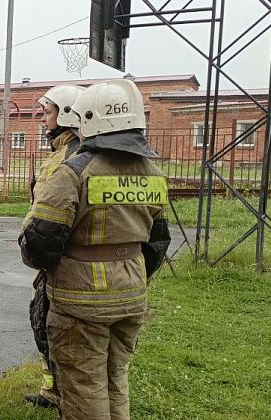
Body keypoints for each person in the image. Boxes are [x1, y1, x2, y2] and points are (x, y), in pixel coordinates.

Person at [19, 79, 171, 420]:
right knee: (116, 380)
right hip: (131, 296)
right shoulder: (153, 173)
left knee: (84, 388)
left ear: (86, 120)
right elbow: (158, 241)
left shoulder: (73, 172)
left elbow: (39, 244)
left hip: (80, 303)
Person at [21, 84, 86, 409]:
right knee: (41, 323)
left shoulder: (70, 159)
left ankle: (64, 397)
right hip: (57, 263)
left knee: (51, 328)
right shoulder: (67, 153)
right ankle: (52, 391)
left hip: (62, 264)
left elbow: (50, 221)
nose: (44, 120)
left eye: (48, 113)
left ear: (68, 114)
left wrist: (32, 248)